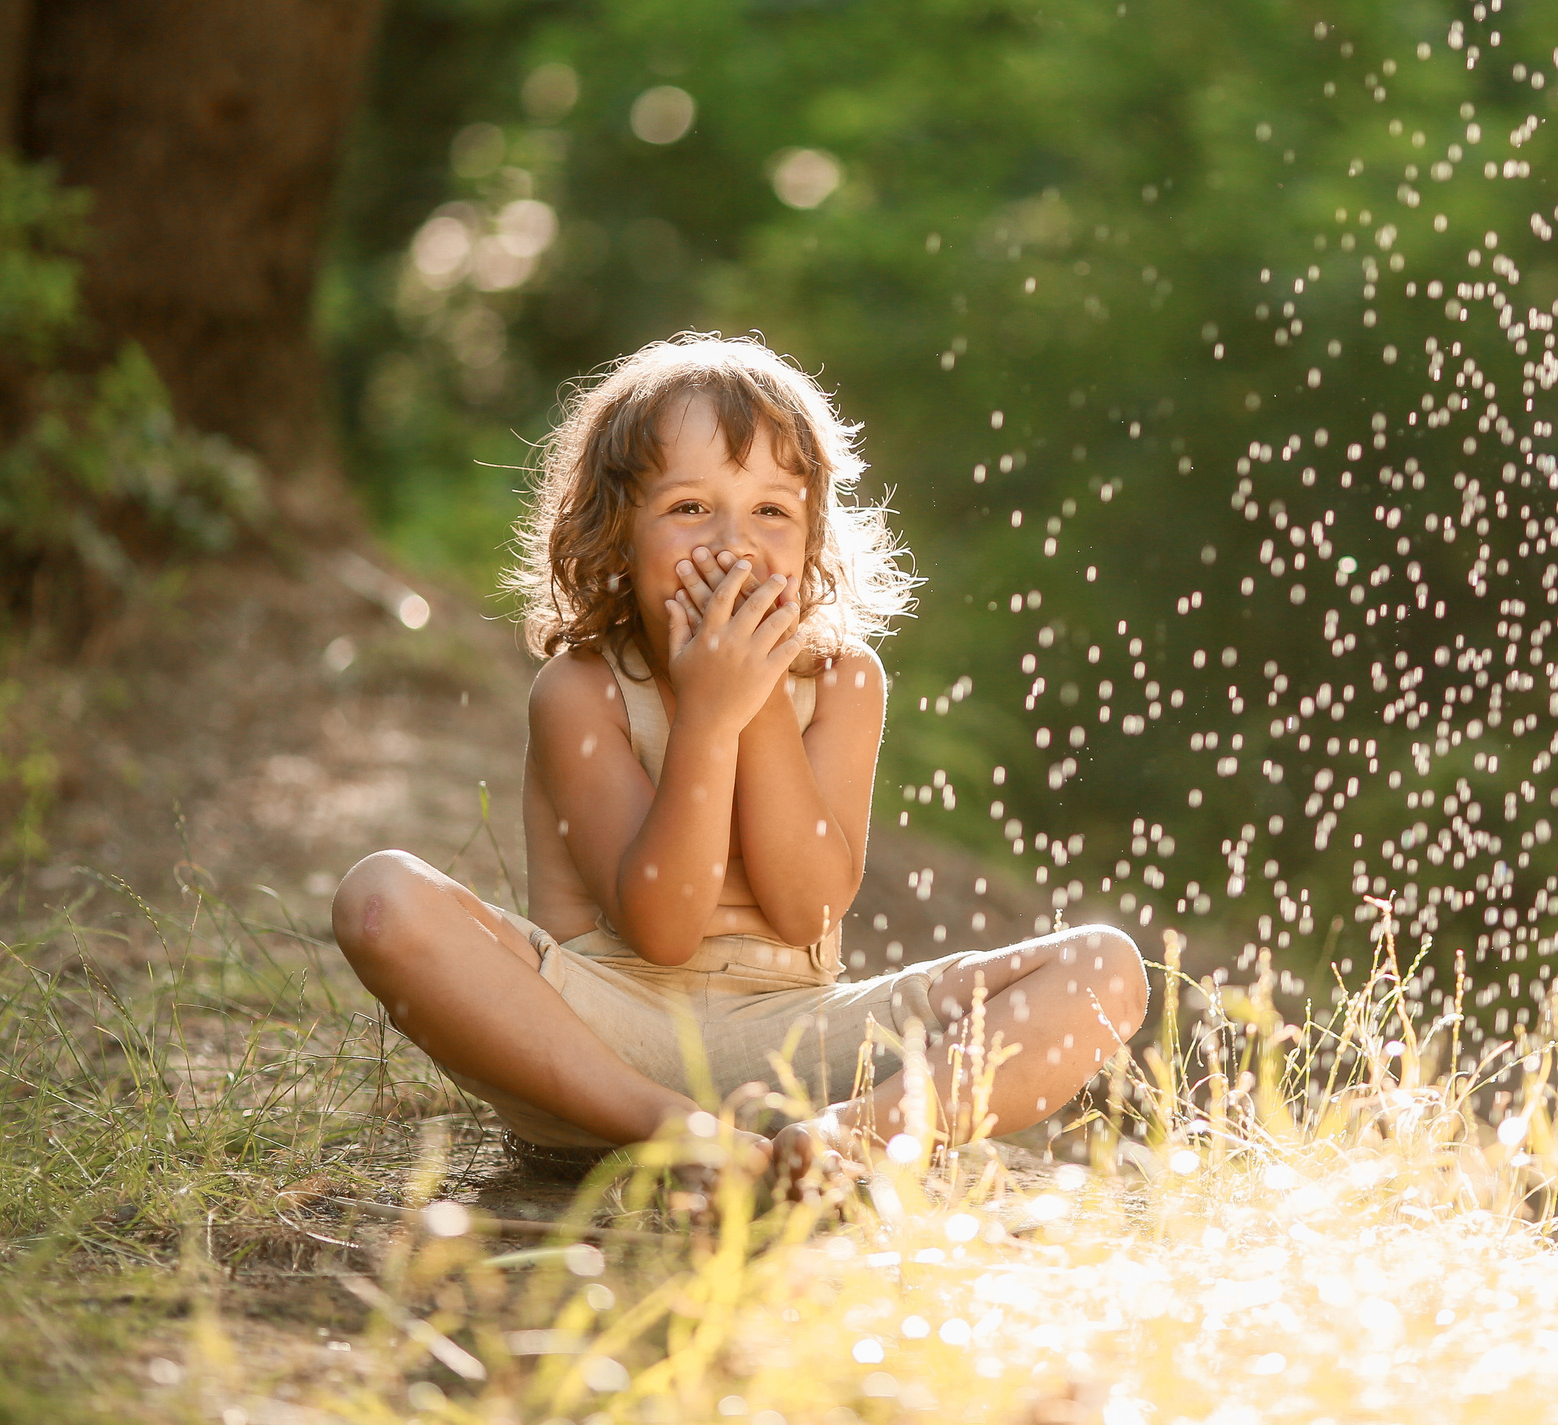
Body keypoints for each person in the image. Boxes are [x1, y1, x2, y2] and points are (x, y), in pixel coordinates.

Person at [331, 333, 1149, 1189]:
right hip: (605, 1043)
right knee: (382, 896)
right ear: (617, 534)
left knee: (1106, 965)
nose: (733, 544)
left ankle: (854, 1138)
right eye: (690, 508)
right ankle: (670, 1129)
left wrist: (752, 702)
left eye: (771, 511)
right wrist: (709, 716)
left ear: (811, 538)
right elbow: (664, 926)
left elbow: (804, 909)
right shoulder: (581, 689)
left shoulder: (843, 682)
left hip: (798, 1042)